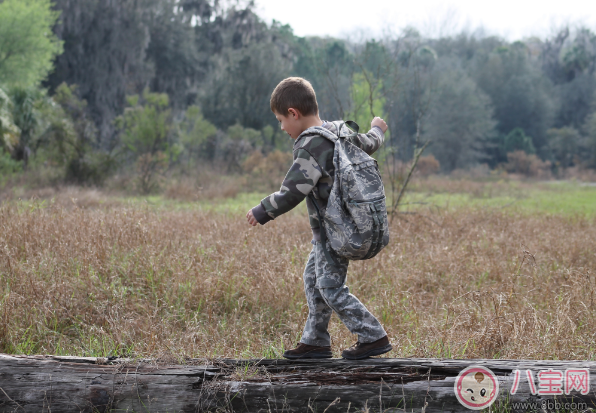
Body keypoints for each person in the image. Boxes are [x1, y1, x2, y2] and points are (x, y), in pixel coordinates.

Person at [246, 77, 392, 360]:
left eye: (280, 120)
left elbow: (292, 191)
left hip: (334, 230)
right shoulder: (338, 132)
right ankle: (315, 341)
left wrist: (262, 211)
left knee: (329, 287)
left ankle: (372, 336)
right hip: (343, 226)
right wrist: (378, 128)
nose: (282, 128)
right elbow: (370, 142)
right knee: (314, 280)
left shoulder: (311, 145)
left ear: (293, 113)